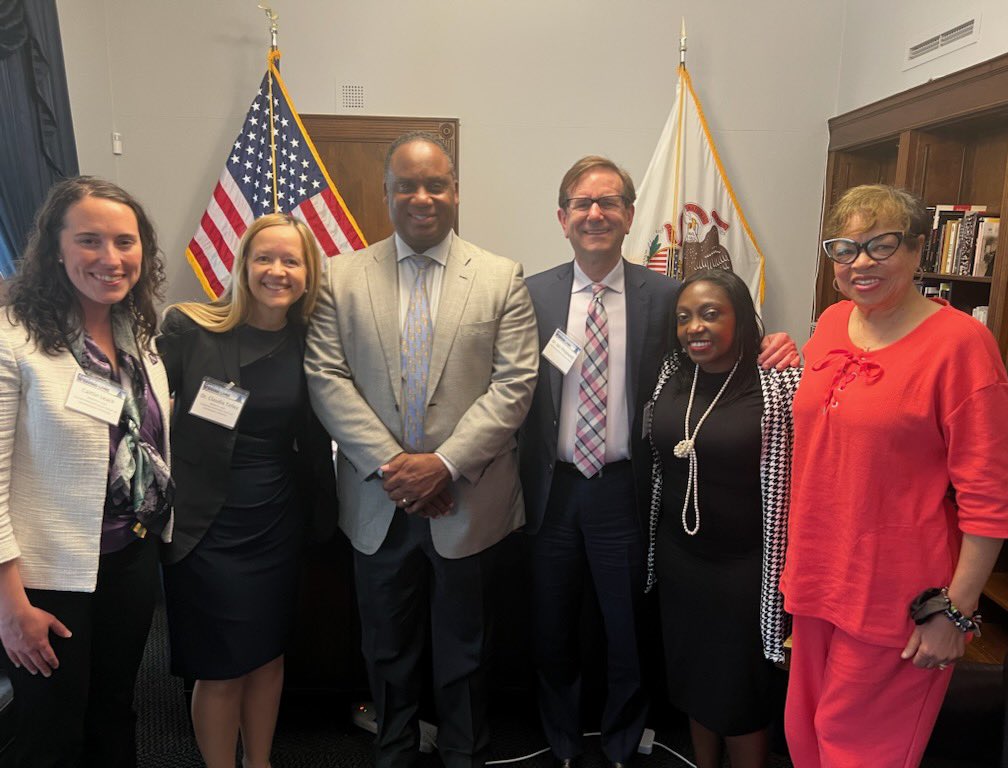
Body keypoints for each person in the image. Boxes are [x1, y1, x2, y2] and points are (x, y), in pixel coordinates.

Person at [518, 155, 799, 768]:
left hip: (627, 489)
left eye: (609, 202)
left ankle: (624, 740)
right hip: (551, 491)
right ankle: (561, 739)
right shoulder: (530, 292)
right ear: (562, 218)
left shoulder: (670, 297)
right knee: (552, 628)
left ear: (629, 215)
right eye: (582, 204)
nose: (596, 213)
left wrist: (776, 345)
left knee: (628, 630)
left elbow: (726, 353)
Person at [304, 132, 539, 768]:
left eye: (435, 183)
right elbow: (327, 376)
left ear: (456, 191)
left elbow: (514, 385)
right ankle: (395, 752)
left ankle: (466, 753)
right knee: (385, 649)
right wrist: (395, 469)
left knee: (466, 650)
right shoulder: (339, 276)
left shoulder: (500, 277)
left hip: (468, 502)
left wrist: (442, 465)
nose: (421, 196)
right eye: (406, 184)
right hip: (378, 506)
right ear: (385, 194)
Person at [780, 184, 1008, 767]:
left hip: (898, 600)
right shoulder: (834, 323)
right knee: (805, 740)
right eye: (845, 248)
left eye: (881, 245)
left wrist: (955, 613)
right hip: (817, 583)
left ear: (918, 249)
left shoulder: (962, 345)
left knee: (859, 754)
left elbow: (992, 497)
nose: (860, 262)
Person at [0, 176, 172, 766]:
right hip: (46, 576)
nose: (110, 258)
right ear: (56, 248)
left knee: (114, 715)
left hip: (129, 559)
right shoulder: (12, 338)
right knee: (50, 732)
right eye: (90, 240)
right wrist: (8, 603)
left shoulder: (140, 337)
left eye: (125, 242)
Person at [157, 213, 335, 768]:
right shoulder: (191, 328)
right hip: (203, 526)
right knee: (220, 667)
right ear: (242, 264)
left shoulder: (313, 343)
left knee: (266, 658)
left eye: (291, 260)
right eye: (265, 258)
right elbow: (147, 416)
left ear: (308, 273)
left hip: (276, 519)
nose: (277, 270)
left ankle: (259, 763)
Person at [645, 269, 799, 768]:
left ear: (741, 319)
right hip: (679, 559)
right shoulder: (672, 371)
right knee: (692, 676)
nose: (695, 327)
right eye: (685, 316)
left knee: (740, 690)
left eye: (711, 314)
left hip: (745, 568)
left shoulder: (777, 381)